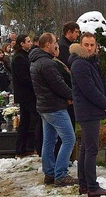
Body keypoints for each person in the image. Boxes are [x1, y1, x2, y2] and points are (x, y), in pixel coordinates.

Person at [30, 32, 77, 188]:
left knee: (49, 141)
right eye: (54, 42)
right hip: (54, 107)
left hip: (45, 106)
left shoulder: (37, 61)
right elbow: (58, 84)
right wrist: (72, 96)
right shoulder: (47, 63)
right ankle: (61, 175)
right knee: (69, 139)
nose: (57, 44)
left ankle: (50, 173)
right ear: (47, 44)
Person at [69, 35, 106, 196]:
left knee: (85, 150)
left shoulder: (88, 61)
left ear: (96, 46)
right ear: (80, 45)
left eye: (92, 44)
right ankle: (92, 187)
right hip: (88, 111)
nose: (89, 48)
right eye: (86, 44)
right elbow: (89, 89)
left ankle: (84, 185)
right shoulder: (80, 64)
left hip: (88, 110)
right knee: (91, 150)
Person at [12, 34, 43, 157]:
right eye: (28, 41)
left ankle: (21, 148)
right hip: (26, 94)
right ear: (22, 44)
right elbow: (24, 78)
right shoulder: (19, 58)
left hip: (25, 94)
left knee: (25, 122)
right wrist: (36, 83)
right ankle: (36, 146)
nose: (30, 43)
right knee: (38, 118)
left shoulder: (24, 56)